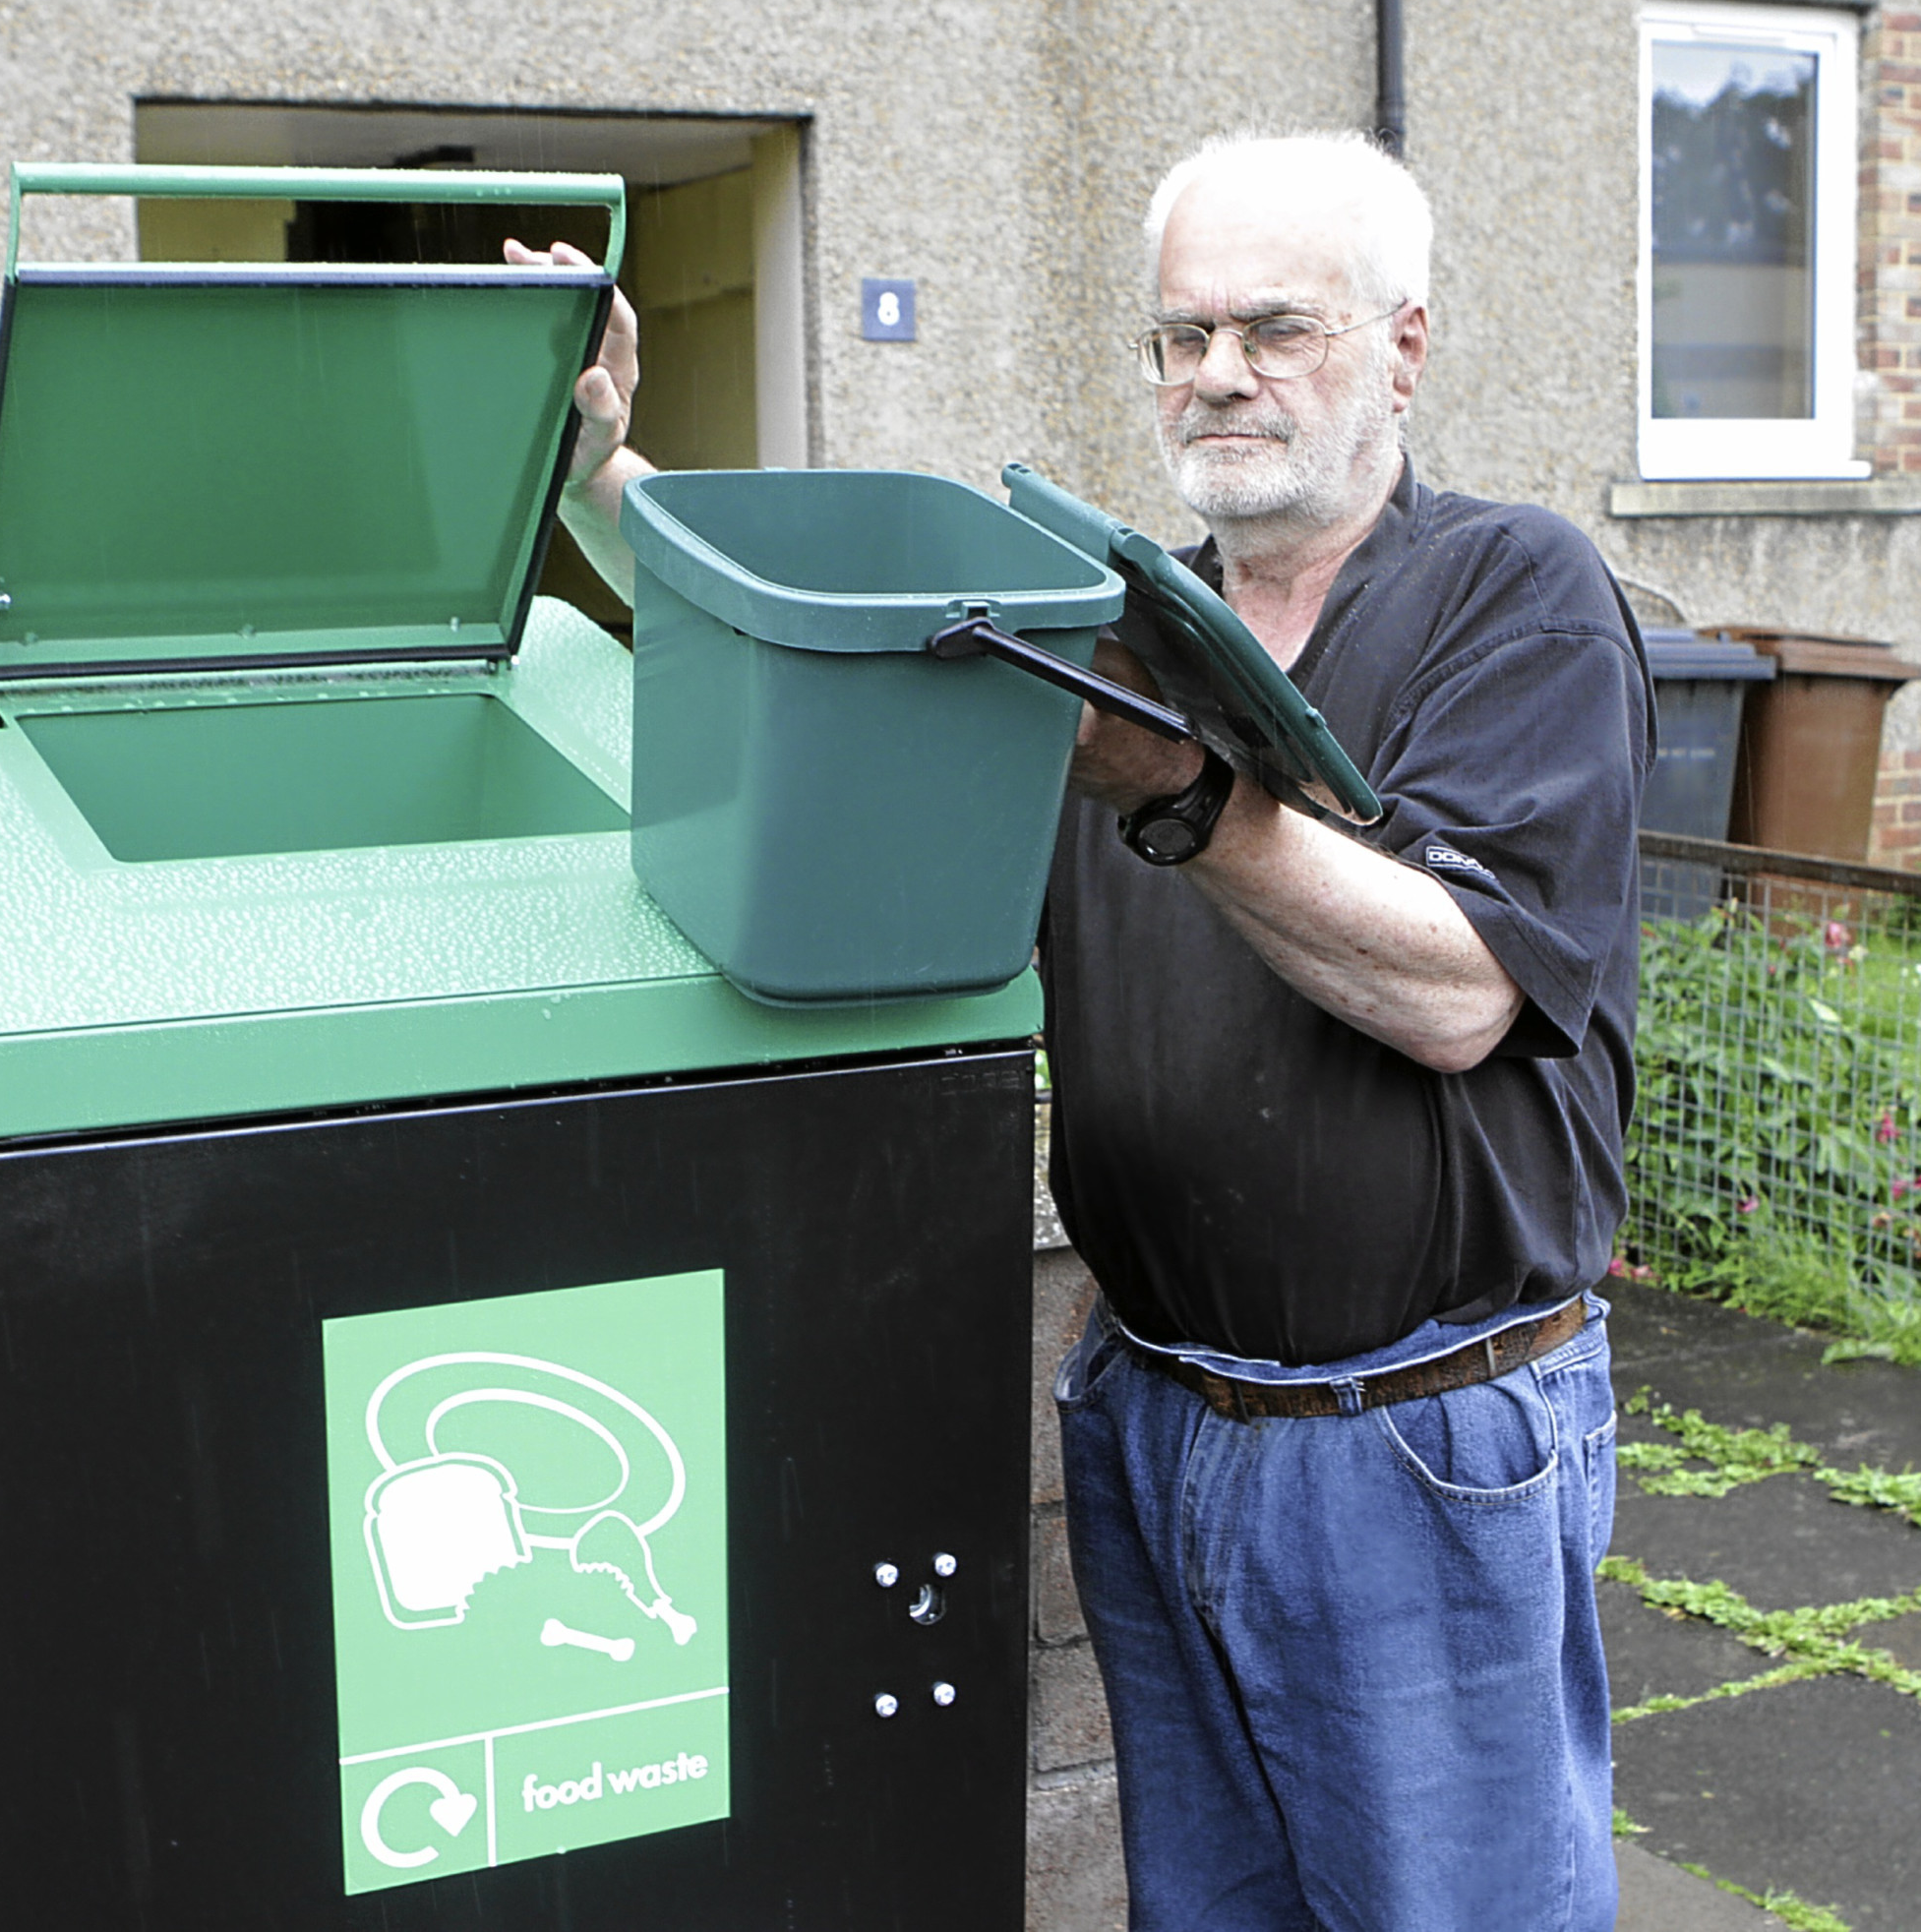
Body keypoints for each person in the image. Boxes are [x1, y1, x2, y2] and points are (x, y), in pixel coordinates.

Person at [520, 128, 1651, 1932]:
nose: (1217, 373)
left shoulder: (1510, 594)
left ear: (1404, 349)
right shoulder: (1106, 631)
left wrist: (1181, 793)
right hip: (1155, 1415)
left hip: (1415, 1449)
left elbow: (1460, 989)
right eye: (1180, 334)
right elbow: (814, 666)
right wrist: (593, 484)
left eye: (1275, 328)